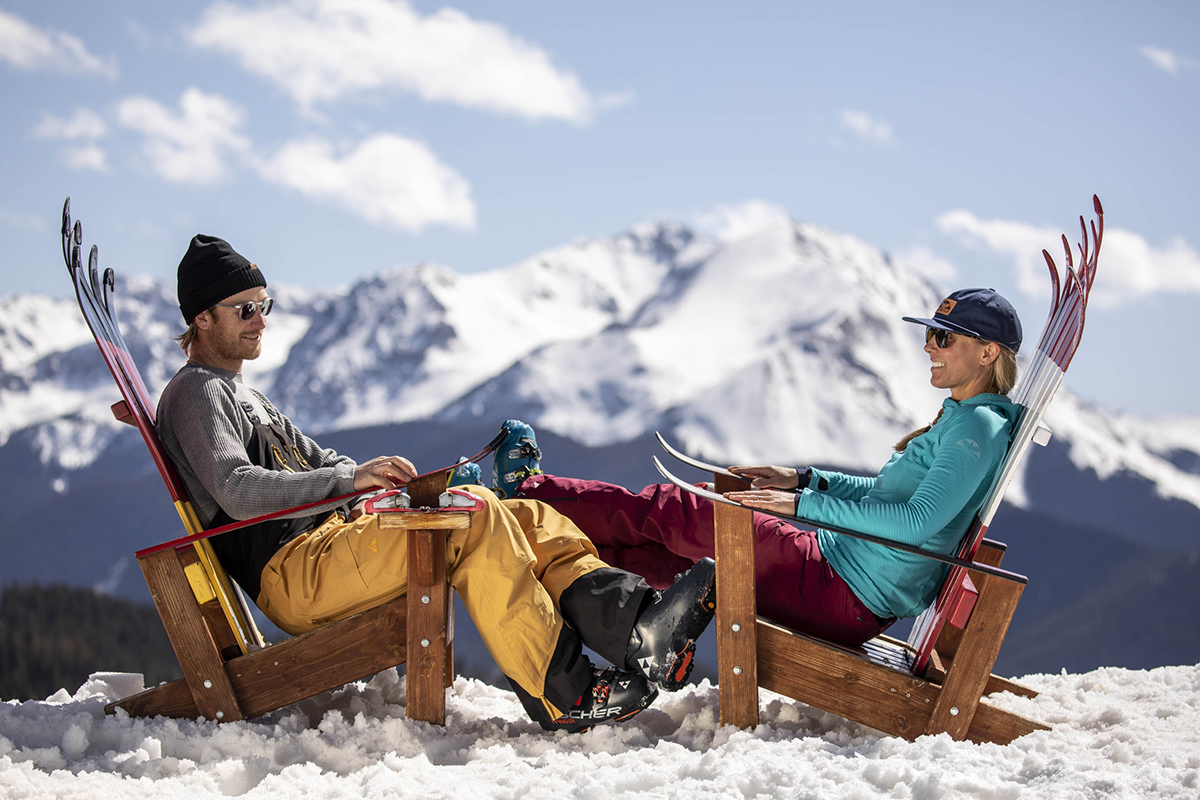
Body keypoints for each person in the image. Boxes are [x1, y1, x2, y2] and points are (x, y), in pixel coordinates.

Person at [156, 234, 717, 733]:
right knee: (472, 516)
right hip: (295, 569)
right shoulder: (197, 393)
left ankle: (639, 630)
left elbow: (315, 458)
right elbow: (235, 487)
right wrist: (347, 479)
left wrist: (377, 479)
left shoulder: (241, 392)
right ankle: (564, 691)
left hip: (328, 548)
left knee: (522, 514)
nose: (261, 319)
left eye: (264, 305)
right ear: (202, 319)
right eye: (245, 309)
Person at [505, 288, 1023, 647]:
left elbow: (915, 525)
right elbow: (887, 495)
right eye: (931, 334)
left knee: (681, 510)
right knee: (669, 557)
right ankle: (531, 539)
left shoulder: (977, 426)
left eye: (944, 338)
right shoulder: (967, 418)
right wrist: (805, 480)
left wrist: (803, 506)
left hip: (837, 588)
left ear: (987, 353)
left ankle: (525, 496)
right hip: (838, 579)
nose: (929, 346)